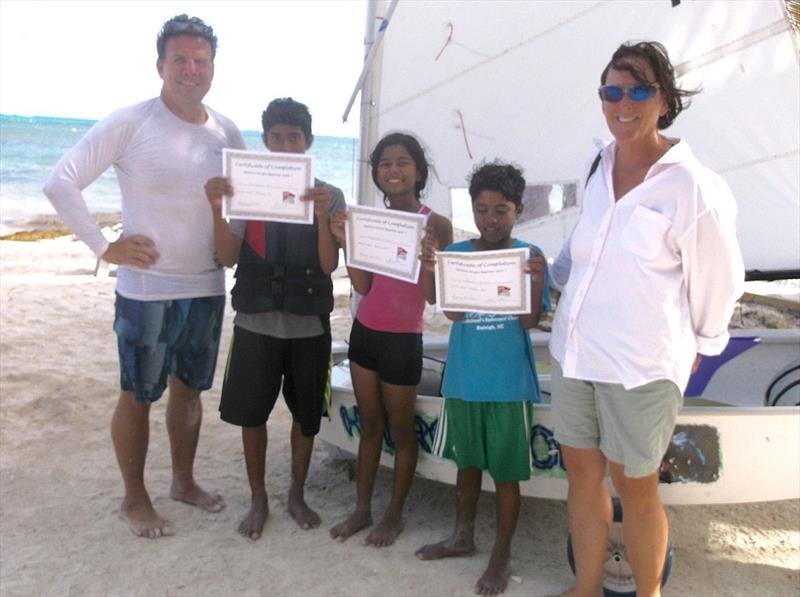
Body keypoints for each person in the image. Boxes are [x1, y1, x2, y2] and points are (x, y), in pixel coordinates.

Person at [549, 41, 744, 597]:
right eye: (613, 91)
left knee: (636, 489)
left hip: (640, 365)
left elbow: (718, 279)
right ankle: (587, 587)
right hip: (574, 352)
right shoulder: (599, 163)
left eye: (639, 91)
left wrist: (693, 357)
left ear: (665, 101)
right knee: (583, 476)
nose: (624, 103)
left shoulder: (691, 185)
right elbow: (583, 242)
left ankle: (648, 595)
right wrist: (548, 280)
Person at [42, 15, 245, 539]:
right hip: (146, 291)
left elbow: (243, 209)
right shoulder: (131, 121)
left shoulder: (228, 132)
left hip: (205, 287)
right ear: (160, 65)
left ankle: (183, 481)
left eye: (200, 60)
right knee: (137, 394)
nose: (190, 69)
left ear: (213, 68)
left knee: (189, 392)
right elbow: (60, 182)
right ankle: (135, 498)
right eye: (179, 59)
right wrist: (104, 246)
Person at [204, 98, 345, 540]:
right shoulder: (246, 189)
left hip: (309, 324)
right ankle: (258, 496)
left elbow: (327, 266)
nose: (285, 145)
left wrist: (323, 216)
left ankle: (296, 494)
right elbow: (227, 257)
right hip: (255, 322)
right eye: (277, 137)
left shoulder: (330, 194)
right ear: (264, 141)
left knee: (306, 416)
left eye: (294, 138)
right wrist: (217, 207)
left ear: (309, 143)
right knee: (252, 415)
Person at [414, 161, 550, 596]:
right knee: (467, 464)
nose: (491, 219)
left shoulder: (529, 257)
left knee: (506, 474)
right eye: (482, 209)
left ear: (518, 210)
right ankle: (462, 535)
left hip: (509, 384)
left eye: (501, 210)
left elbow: (529, 321)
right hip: (465, 380)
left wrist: (538, 280)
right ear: (472, 209)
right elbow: (448, 309)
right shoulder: (457, 253)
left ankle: (501, 553)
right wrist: (430, 266)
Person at [329, 132, 453, 547]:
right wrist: (348, 243)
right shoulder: (367, 221)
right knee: (369, 426)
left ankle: (394, 515)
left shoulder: (436, 223)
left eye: (402, 162)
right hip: (365, 335)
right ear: (376, 173)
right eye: (384, 163)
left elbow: (434, 298)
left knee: (400, 431)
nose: (393, 170)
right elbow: (363, 284)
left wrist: (430, 261)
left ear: (418, 170)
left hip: (403, 340)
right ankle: (362, 510)